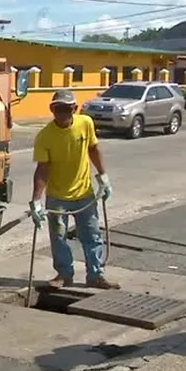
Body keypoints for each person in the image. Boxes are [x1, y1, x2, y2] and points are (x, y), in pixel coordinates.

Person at [28, 89, 119, 290]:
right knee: (58, 237)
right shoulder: (45, 136)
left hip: (84, 193)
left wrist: (103, 177)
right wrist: (36, 200)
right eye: (58, 108)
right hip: (57, 196)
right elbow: (43, 169)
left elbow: (93, 149)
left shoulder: (85, 123)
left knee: (92, 235)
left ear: (75, 109)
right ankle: (64, 274)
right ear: (52, 109)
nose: (63, 113)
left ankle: (95, 275)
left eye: (67, 109)